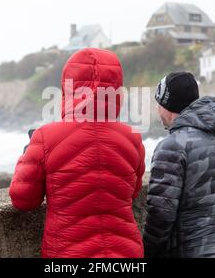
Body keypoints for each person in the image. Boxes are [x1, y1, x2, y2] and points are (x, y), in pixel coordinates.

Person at [9, 48, 145, 258]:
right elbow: (133, 192)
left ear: (68, 88)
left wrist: (27, 155)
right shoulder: (132, 138)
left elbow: (24, 199)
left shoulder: (46, 137)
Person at [143, 71, 215, 258]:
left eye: (158, 103)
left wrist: (147, 251)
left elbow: (161, 215)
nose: (157, 110)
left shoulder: (172, 146)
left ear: (167, 105)